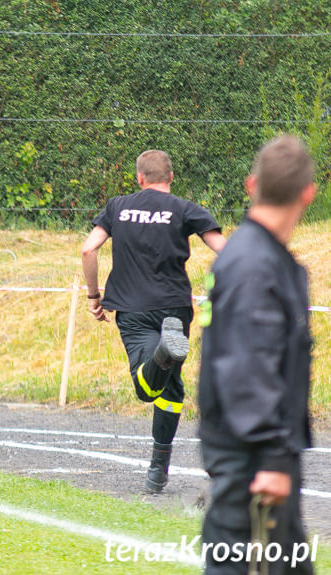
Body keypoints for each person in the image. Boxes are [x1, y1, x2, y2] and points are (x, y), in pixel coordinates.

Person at [199, 136, 315, 575]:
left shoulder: (260, 257)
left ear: (251, 185)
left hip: (253, 452)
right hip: (251, 460)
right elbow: (250, 366)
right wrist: (272, 458)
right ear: (308, 193)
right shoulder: (255, 264)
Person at [81, 149, 226, 493]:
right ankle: (157, 470)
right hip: (175, 308)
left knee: (147, 389)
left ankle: (163, 352)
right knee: (171, 389)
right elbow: (225, 248)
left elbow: (89, 249)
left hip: (132, 309)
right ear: (171, 178)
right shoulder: (185, 208)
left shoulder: (118, 206)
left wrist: (93, 296)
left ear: (140, 178)